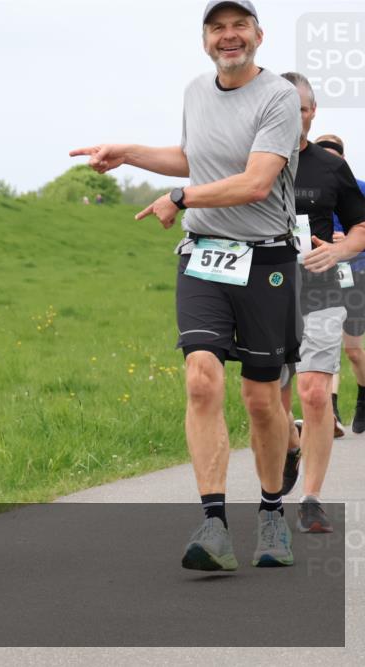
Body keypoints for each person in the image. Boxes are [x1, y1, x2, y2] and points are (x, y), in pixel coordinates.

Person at [71, 0, 305, 570]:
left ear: (259, 34)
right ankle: (214, 523)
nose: (229, 37)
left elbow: (254, 182)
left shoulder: (278, 98)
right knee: (201, 381)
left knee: (260, 397)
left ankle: (272, 514)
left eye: (239, 26)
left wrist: (180, 197)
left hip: (266, 260)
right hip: (203, 257)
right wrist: (128, 152)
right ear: (205, 40)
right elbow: (191, 158)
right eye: (217, 28)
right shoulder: (196, 91)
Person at [275, 75, 365, 534]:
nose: (296, 116)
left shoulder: (332, 166)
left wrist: (338, 250)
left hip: (321, 285)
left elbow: (360, 228)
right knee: (271, 397)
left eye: (303, 108)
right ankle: (290, 444)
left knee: (314, 392)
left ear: (313, 112)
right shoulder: (252, 161)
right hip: (265, 287)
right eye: (285, 107)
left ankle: (311, 498)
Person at [316, 134, 365, 433]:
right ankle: (330, 414)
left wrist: (349, 242)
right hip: (322, 276)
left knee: (353, 350)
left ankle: (363, 398)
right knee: (328, 344)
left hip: (358, 275)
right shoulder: (311, 191)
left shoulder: (359, 189)